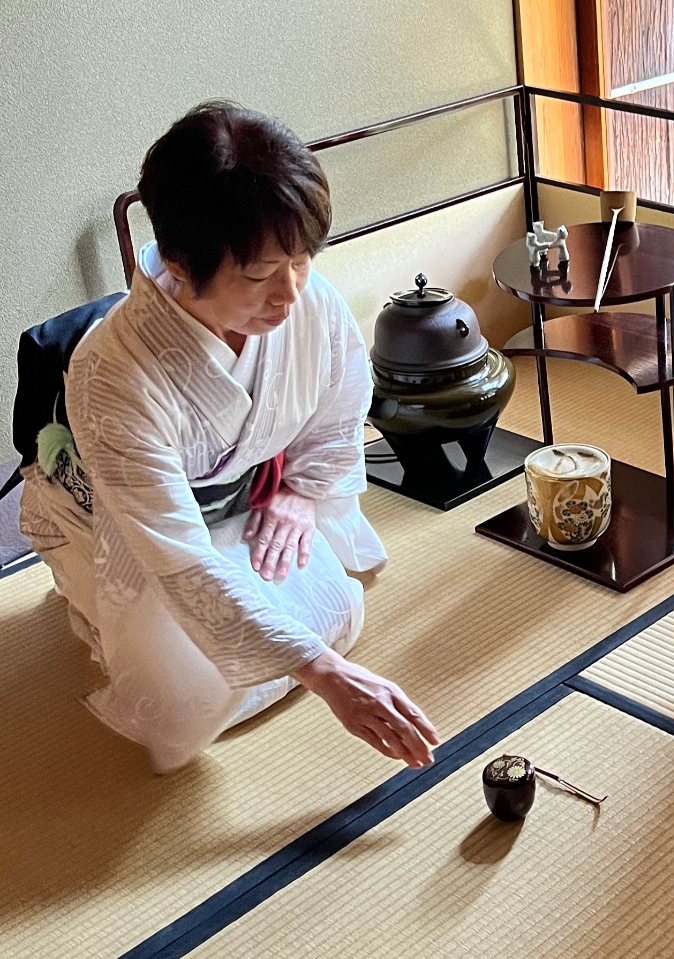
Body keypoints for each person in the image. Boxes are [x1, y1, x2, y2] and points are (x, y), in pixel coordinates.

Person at [19, 102, 439, 773]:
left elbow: (340, 399)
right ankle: (84, 591)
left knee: (338, 611)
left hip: (243, 494)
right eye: (258, 275)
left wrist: (300, 492)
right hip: (136, 526)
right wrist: (327, 676)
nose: (293, 292)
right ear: (180, 263)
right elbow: (179, 555)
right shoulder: (112, 375)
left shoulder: (307, 299)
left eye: (301, 258)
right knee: (187, 698)